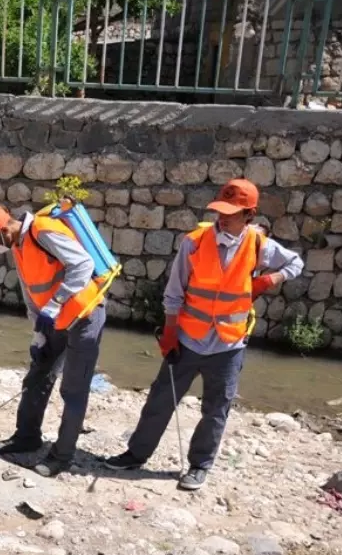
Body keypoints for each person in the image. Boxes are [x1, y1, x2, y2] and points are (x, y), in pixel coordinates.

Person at [105, 178, 304, 491]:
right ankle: (136, 454)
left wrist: (271, 279)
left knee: (215, 410)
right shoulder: (195, 242)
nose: (222, 217)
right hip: (188, 340)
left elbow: (296, 262)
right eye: (220, 211)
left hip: (229, 345)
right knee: (160, 400)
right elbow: (174, 292)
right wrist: (170, 332)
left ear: (249, 215)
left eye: (231, 213)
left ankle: (199, 466)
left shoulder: (258, 245)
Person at [0, 204, 108, 478]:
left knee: (73, 390)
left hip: (85, 315)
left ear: (4, 231)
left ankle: (61, 456)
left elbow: (83, 265)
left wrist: (56, 303)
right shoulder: (18, 246)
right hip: (54, 320)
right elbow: (31, 294)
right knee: (37, 375)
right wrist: (38, 334)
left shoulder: (43, 231)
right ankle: (27, 437)